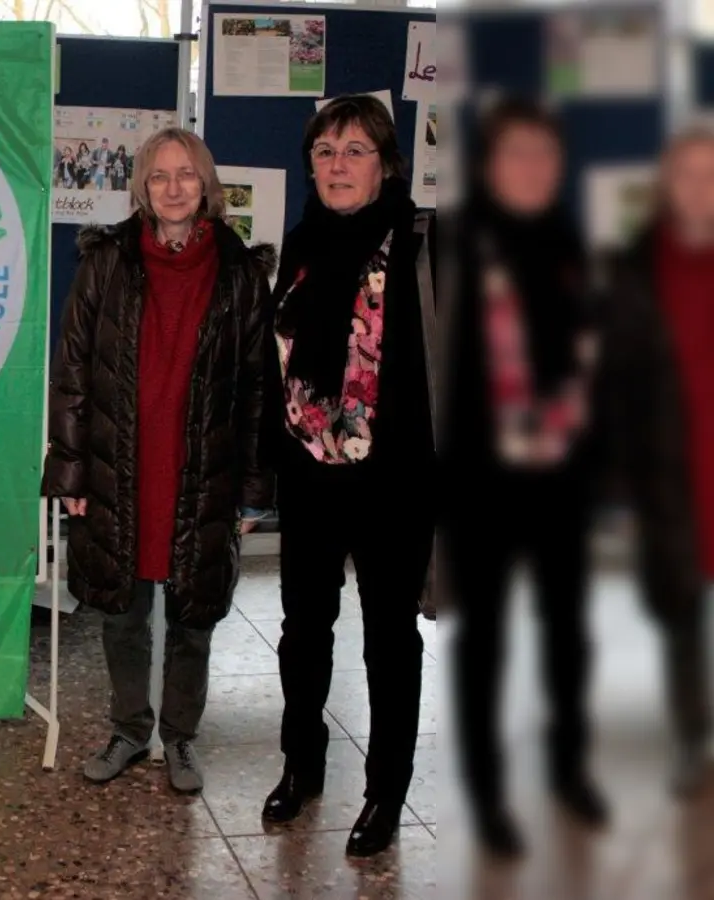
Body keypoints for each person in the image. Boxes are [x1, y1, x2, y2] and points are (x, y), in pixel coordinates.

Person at [43, 127, 275, 795]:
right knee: (122, 614)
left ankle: (180, 737)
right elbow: (73, 375)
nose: (174, 187)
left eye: (187, 173)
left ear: (206, 185)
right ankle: (127, 730)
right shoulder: (106, 263)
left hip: (204, 473)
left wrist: (253, 490)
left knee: (193, 618)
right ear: (143, 188)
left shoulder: (239, 273)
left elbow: (259, 388)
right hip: (119, 469)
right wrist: (71, 472)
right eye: (159, 175)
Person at [259, 95, 437, 858]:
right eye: (325, 151)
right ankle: (301, 764)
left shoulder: (422, 247)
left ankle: (385, 791)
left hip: (394, 481)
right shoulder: (300, 245)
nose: (338, 165)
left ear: (387, 165)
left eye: (355, 150)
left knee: (389, 641)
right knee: (303, 632)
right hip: (308, 477)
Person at [441, 99, 607, 859]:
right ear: (488, 163)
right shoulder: (457, 248)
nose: (532, 168)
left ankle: (570, 769)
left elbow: (594, 360)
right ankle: (487, 795)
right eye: (516, 153)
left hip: (563, 482)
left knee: (568, 637)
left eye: (545, 154)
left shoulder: (572, 247)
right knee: (485, 644)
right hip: (481, 488)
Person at [598, 120, 714, 801]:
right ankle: (693, 741)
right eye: (687, 175)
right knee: (683, 622)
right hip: (671, 484)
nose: (699, 188)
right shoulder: (636, 268)